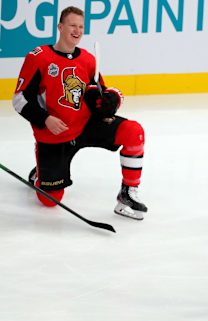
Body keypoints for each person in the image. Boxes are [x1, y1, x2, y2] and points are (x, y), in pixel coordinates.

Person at [12, 6, 148, 220]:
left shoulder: (87, 59)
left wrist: (111, 100)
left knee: (133, 131)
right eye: (72, 25)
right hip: (54, 135)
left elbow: (97, 94)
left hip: (85, 126)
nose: (77, 30)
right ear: (60, 27)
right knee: (50, 200)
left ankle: (127, 195)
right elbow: (19, 99)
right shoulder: (38, 57)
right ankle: (40, 174)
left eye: (81, 27)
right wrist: (45, 119)